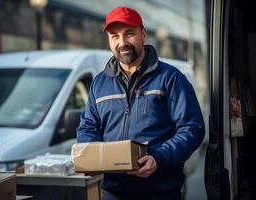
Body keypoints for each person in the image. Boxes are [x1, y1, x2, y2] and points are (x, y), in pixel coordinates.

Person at [76, 6, 205, 200]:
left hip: (160, 191)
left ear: (143, 34)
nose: (122, 42)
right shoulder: (99, 83)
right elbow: (88, 126)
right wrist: (91, 157)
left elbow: (192, 128)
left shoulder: (170, 78)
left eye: (129, 34)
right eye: (115, 36)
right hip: (112, 192)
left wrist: (159, 158)